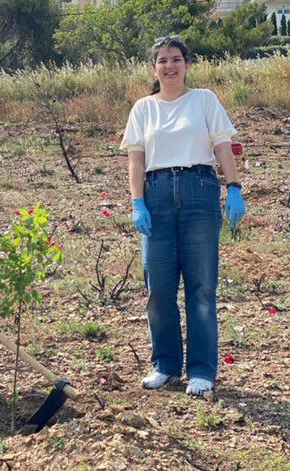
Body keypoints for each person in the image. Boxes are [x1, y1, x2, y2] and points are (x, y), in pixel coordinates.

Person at [120, 37, 246, 396]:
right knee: (158, 288)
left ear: (187, 64)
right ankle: (165, 364)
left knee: (201, 286)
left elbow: (222, 144)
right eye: (162, 60)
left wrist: (234, 186)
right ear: (154, 68)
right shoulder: (143, 108)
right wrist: (137, 202)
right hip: (156, 193)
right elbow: (136, 159)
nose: (169, 66)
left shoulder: (204, 100)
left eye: (176, 59)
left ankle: (202, 370)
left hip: (199, 189)